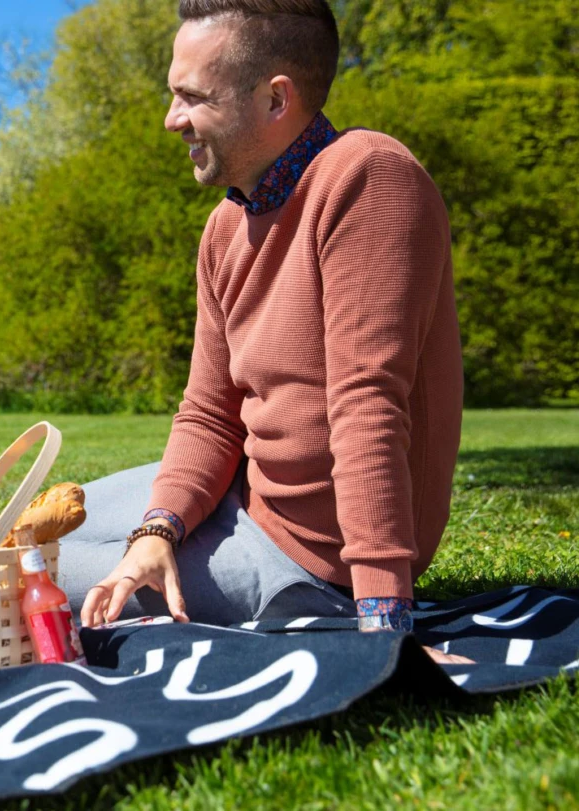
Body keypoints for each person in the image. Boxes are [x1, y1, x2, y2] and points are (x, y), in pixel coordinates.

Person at [58, 0, 472, 663]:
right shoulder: (226, 227)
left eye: (192, 97)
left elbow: (368, 406)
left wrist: (385, 630)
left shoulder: (367, 178)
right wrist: (160, 531)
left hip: (314, 566)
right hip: (241, 499)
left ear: (276, 100)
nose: (172, 120)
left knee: (18, 581)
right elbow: (208, 414)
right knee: (15, 537)